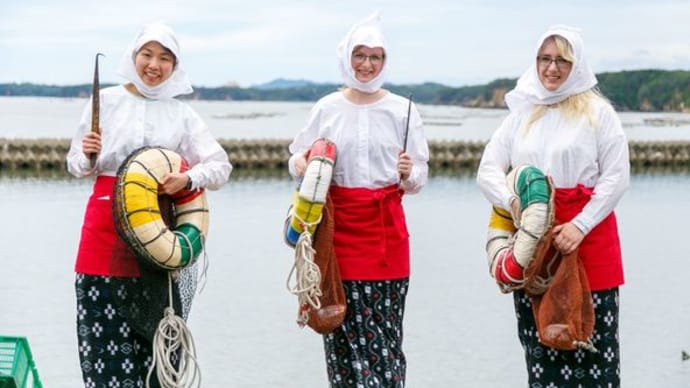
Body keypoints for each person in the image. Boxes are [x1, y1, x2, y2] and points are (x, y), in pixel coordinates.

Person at [66, 22, 231, 387]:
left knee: (157, 354)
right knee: (101, 349)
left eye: (164, 58)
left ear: (175, 66)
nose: (154, 65)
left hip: (159, 238)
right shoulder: (104, 101)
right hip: (103, 235)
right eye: (147, 55)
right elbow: (76, 165)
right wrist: (89, 157)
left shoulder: (182, 115)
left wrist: (187, 180)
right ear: (134, 56)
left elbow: (220, 167)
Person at [476, 25, 629, 386]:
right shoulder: (522, 114)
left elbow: (617, 177)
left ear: (577, 64)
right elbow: (487, 170)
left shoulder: (598, 113)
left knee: (594, 353)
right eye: (545, 59)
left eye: (562, 60)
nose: (552, 68)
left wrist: (581, 225)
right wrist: (514, 205)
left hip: (588, 242)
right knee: (541, 355)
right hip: (536, 249)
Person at [287, 11, 429, 388]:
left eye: (375, 57)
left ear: (385, 61)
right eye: (360, 55)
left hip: (387, 236)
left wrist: (407, 172)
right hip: (336, 237)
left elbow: (420, 178)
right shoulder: (327, 108)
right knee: (341, 334)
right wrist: (302, 162)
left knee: (386, 341)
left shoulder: (403, 110)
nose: (367, 64)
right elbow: (295, 159)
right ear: (347, 58)